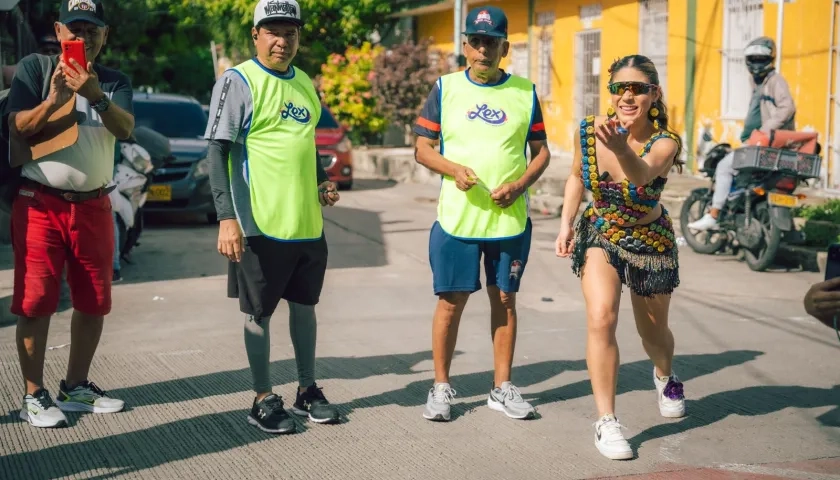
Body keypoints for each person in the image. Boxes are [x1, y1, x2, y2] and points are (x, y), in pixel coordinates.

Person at [205, 0, 341, 435]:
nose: (283, 41)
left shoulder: (303, 82)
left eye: (291, 32)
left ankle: (306, 390)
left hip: (306, 224)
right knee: (258, 313)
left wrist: (321, 181)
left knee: (306, 306)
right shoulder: (238, 80)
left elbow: (306, 145)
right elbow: (217, 150)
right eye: (273, 32)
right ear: (256, 35)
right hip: (259, 223)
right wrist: (227, 218)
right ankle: (262, 398)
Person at [413, 6, 551, 423]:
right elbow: (421, 149)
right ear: (464, 46)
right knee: (451, 303)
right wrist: (453, 169)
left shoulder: (525, 92)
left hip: (509, 221)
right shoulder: (445, 88)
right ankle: (440, 387)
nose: (482, 50)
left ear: (505, 48)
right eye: (475, 42)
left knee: (505, 299)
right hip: (457, 219)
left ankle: (502, 387)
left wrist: (520, 185)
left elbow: (542, 152)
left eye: (491, 43)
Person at [6, 0, 134, 428]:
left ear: (105, 35)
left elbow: (126, 129)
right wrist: (56, 98)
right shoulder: (36, 70)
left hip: (94, 206)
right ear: (59, 31)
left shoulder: (114, 82)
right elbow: (18, 126)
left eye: (92, 29)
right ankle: (33, 395)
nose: (84, 38)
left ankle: (75, 386)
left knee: (95, 300)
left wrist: (94, 94)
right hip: (40, 202)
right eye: (75, 30)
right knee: (36, 301)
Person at [555, 55, 685, 460]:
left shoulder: (666, 141)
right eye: (619, 88)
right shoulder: (587, 131)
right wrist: (566, 223)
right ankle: (607, 421)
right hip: (600, 232)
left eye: (638, 88)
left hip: (650, 242)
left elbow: (642, 176)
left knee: (653, 334)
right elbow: (577, 175)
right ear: (610, 92)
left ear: (654, 94)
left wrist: (618, 147)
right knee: (601, 317)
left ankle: (665, 375)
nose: (627, 96)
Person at [688, 36, 795, 231]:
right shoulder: (758, 82)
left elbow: (787, 108)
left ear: (770, 59)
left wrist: (765, 130)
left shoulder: (775, 81)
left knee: (723, 167)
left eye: (761, 59)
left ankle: (713, 215)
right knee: (742, 177)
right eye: (753, 59)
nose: (756, 63)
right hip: (760, 143)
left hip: (766, 143)